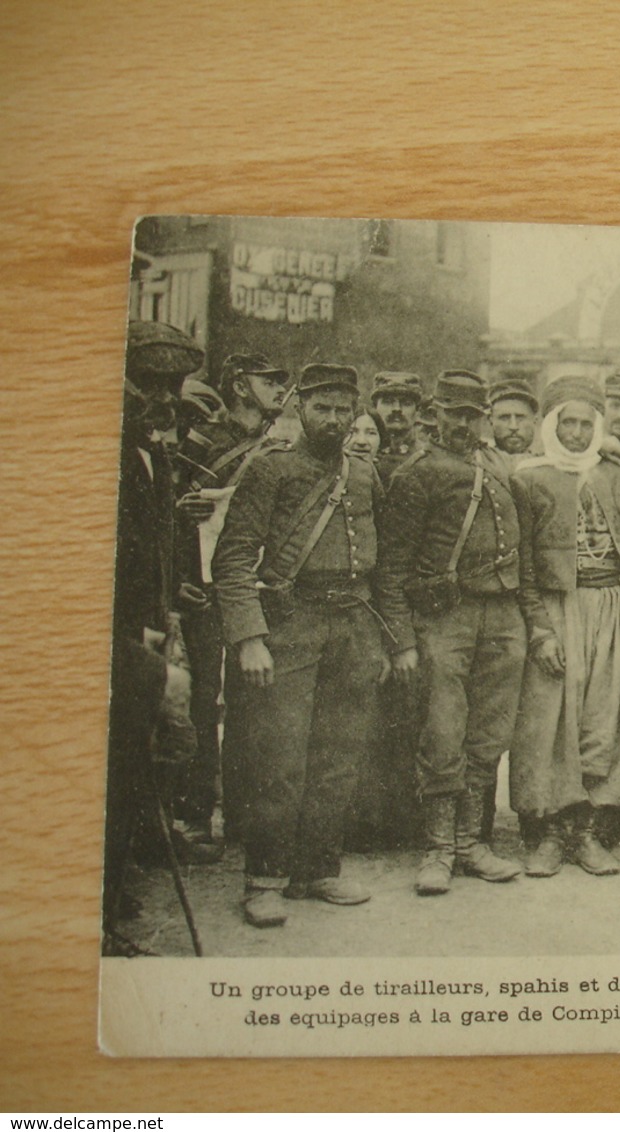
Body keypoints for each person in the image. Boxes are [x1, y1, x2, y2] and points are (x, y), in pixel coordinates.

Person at [212, 363, 390, 928]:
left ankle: (318, 869)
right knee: (280, 757)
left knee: (338, 754)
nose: (334, 420)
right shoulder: (272, 472)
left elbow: (381, 566)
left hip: (352, 624)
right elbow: (234, 559)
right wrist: (249, 637)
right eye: (322, 408)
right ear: (301, 409)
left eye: (343, 409)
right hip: (290, 624)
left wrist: (382, 638)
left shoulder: (364, 474)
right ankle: (263, 878)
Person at [509, 377, 620, 877]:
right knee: (549, 719)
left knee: (605, 716)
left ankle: (587, 831)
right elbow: (522, 566)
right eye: (570, 423)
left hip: (612, 606)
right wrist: (539, 630)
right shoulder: (529, 478)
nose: (580, 433)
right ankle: (546, 831)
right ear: (552, 425)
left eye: (588, 423)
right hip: (557, 608)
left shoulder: (614, 472)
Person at [378, 371, 525, 895]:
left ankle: (471, 842)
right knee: (443, 733)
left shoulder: (498, 465)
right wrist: (402, 641)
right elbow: (392, 567)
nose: (463, 423)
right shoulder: (417, 474)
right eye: (453, 413)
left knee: (490, 734)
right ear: (432, 415)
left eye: (471, 414)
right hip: (447, 618)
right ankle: (438, 850)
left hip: (504, 615)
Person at [104, 321, 202, 948]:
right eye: (148, 382)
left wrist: (168, 602)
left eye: (171, 384)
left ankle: (114, 893)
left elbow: (149, 549)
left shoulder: (155, 453)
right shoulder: (106, 450)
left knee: (132, 764)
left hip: (144, 632)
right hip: (112, 643)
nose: (161, 397)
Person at [172, 353, 293, 851]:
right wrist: (181, 508)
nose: (279, 391)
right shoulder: (202, 439)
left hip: (255, 586)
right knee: (204, 702)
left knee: (253, 702)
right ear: (241, 386)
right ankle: (198, 815)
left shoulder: (284, 444)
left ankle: (244, 817)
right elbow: (165, 508)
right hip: (203, 588)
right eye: (270, 381)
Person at [368, 371, 423, 480]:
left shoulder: (425, 457)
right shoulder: (362, 452)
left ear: (417, 410)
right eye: (388, 402)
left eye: (406, 403)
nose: (396, 409)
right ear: (375, 407)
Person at [488, 379, 539, 457]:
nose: (513, 426)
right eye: (504, 418)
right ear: (490, 420)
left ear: (534, 420)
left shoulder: (547, 466)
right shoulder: (478, 464)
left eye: (520, 418)